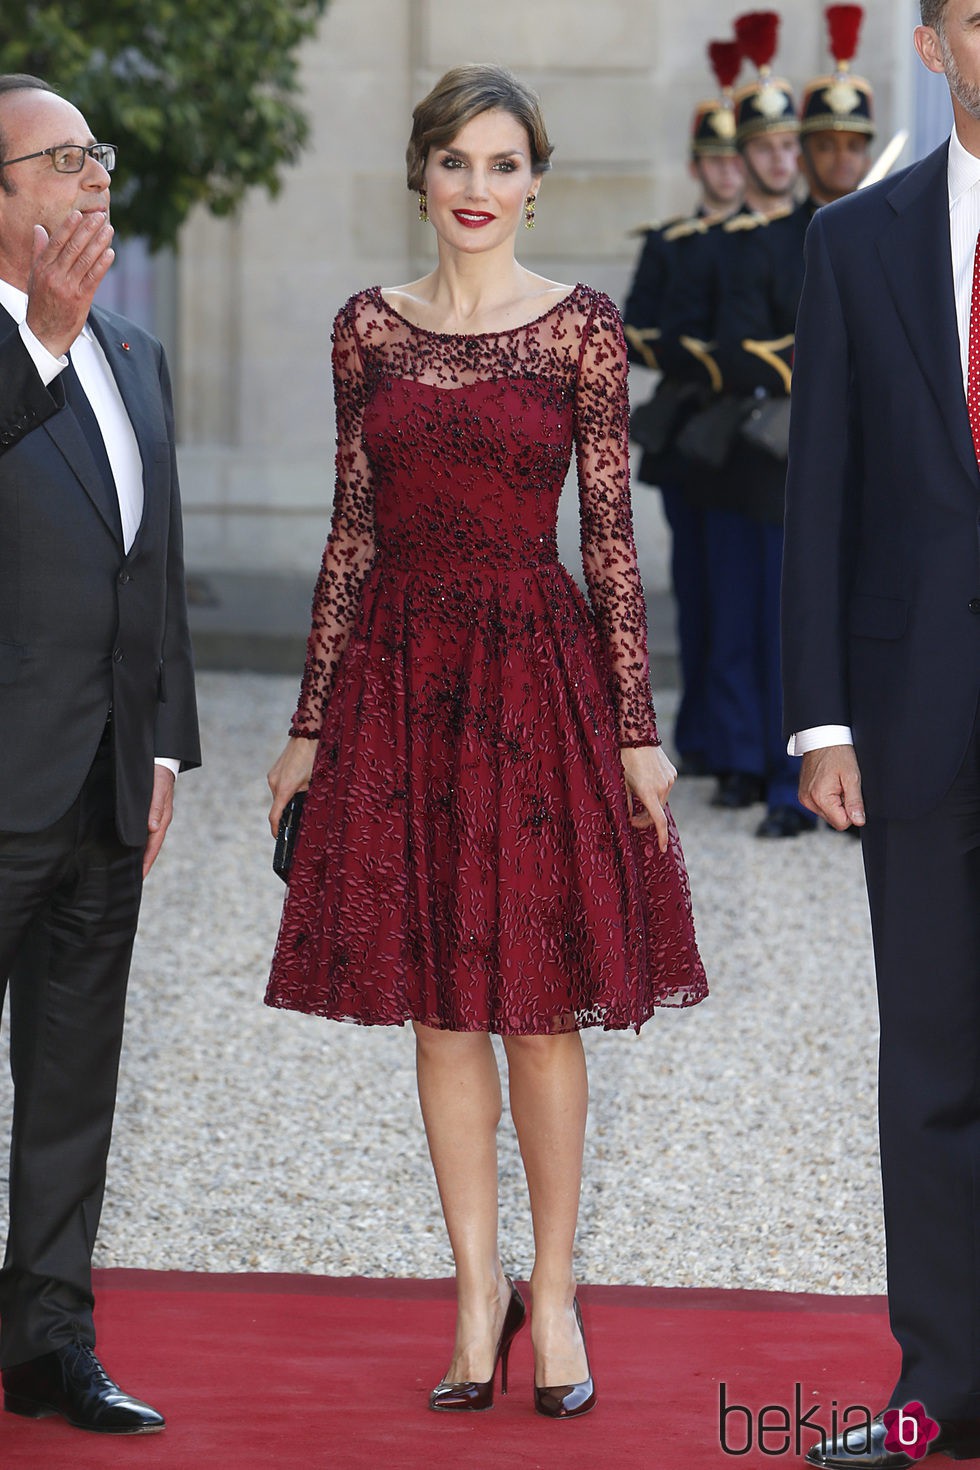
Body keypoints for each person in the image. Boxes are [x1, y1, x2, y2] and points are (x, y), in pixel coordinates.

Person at [265, 63, 706, 1420]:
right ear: (422, 174)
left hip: (532, 674)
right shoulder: (364, 331)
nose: (478, 188)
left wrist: (638, 732)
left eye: (504, 164)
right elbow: (349, 533)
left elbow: (613, 546)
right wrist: (305, 725)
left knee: (536, 1006)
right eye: (456, 161)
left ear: (535, 182)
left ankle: (555, 1292)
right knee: (441, 1005)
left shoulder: (580, 327)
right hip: (401, 676)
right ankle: (474, 1295)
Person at [782, 2, 980, 1463]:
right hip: (916, 721)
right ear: (934, 44)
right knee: (930, 1063)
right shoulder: (857, 242)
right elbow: (820, 495)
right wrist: (822, 717)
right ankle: (942, 1387)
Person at [0, 75, 200, 1436]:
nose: (95, 180)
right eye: (64, 160)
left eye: (99, 156)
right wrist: (44, 341)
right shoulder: (58, 345)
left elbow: (157, 567)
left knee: (73, 1076)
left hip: (107, 780)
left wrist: (170, 742)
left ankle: (47, 1342)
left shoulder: (135, 354)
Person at [711, 3, 874, 840]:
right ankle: (786, 785)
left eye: (855, 143)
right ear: (803, 152)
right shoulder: (762, 243)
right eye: (826, 144)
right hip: (785, 466)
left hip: (883, 470)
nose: (841, 157)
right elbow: (742, 346)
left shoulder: (894, 232)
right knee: (790, 621)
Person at [656, 10, 802, 819]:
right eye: (769, 148)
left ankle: (794, 769)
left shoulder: (827, 226)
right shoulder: (730, 243)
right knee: (737, 615)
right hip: (742, 448)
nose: (782, 158)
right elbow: (734, 343)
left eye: (791, 145)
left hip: (810, 445)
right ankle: (746, 757)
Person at [623, 38, 744, 779]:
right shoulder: (674, 244)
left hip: (746, 436)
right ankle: (700, 725)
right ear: (699, 168)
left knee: (736, 600)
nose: (732, 172)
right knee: (697, 592)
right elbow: (638, 330)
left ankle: (727, 734)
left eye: (741, 160)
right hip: (689, 435)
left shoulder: (768, 239)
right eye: (720, 161)